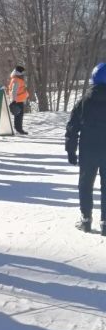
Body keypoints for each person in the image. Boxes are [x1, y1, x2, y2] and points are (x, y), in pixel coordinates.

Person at [65, 61, 106, 235]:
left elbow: (72, 127)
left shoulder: (84, 101)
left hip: (88, 149)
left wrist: (70, 150)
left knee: (85, 183)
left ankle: (86, 219)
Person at [7, 64, 30, 135]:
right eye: (23, 72)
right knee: (18, 116)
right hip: (17, 101)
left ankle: (18, 129)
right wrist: (14, 101)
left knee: (19, 116)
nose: (24, 74)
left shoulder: (17, 79)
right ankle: (19, 129)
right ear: (20, 72)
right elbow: (14, 91)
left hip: (19, 100)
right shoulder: (16, 80)